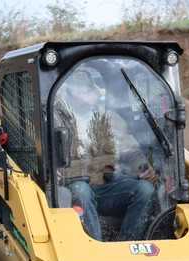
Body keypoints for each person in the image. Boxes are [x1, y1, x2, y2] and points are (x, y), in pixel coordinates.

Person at [53, 60, 171, 241]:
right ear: (73, 93)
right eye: (88, 89)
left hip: (106, 185)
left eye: (92, 88)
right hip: (73, 187)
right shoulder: (57, 121)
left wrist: (142, 167)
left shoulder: (108, 118)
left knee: (145, 190)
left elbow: (129, 150)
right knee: (81, 190)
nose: (95, 92)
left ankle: (128, 244)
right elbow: (53, 164)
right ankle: (95, 248)